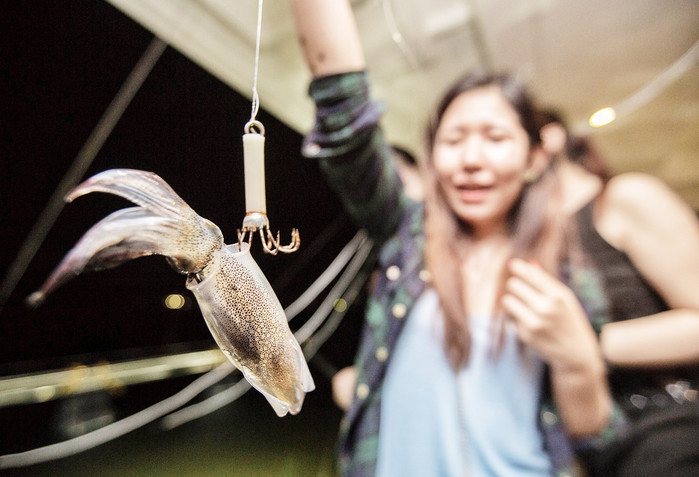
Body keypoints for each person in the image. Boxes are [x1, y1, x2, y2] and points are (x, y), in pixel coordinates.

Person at [289, 1, 699, 475]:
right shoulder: (410, 235)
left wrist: (580, 360)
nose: (472, 158)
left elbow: (593, 433)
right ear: (433, 155)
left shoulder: (568, 265)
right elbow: (345, 118)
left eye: (496, 137)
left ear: (533, 159)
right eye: (454, 138)